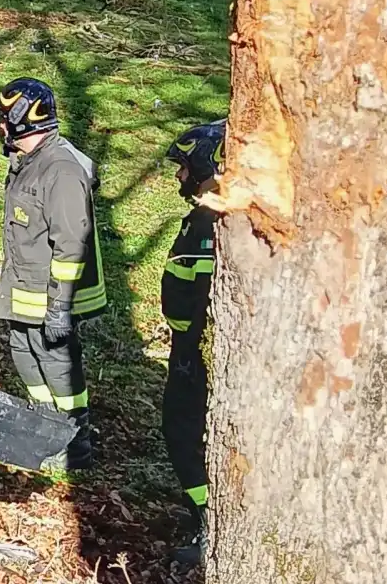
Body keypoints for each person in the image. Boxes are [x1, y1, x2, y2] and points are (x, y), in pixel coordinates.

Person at [0, 77, 105, 470]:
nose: (1, 127)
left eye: (7, 120)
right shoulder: (28, 163)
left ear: (25, 120)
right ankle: (45, 432)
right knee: (25, 358)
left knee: (58, 368)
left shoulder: (59, 171)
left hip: (48, 298)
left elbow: (71, 244)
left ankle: (75, 446)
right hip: (24, 292)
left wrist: (59, 308)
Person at [161, 120, 223, 565]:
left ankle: (208, 521)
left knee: (183, 433)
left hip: (194, 353)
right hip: (192, 349)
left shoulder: (208, 225)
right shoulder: (208, 217)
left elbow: (197, 298)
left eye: (184, 167)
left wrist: (188, 349)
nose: (179, 176)